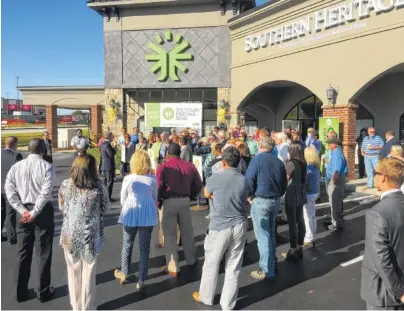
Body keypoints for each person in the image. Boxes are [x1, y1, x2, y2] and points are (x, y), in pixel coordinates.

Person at [193, 147, 248, 310]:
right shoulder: (243, 179)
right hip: (239, 224)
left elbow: (206, 193)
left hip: (219, 226)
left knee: (211, 263)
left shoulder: (217, 177)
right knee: (233, 266)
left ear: (223, 161)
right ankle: (228, 304)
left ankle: (206, 297)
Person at [5, 138, 55, 303]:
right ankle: (43, 291)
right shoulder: (47, 167)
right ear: (43, 150)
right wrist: (35, 212)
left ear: (28, 149)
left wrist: (22, 210)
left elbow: (9, 190)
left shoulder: (16, 167)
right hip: (41, 211)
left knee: (23, 253)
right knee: (44, 252)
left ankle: (21, 292)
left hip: (24, 210)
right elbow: (46, 193)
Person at [58, 154, 109, 310]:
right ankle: (87, 307)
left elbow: (61, 207)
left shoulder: (65, 185)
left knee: (73, 272)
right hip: (90, 236)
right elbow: (105, 208)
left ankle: (76, 306)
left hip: (70, 234)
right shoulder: (99, 187)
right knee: (88, 274)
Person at [360, 158, 404, 310]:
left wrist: (399, 292)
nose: (373, 176)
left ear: (384, 177)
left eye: (375, 173)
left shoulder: (377, 213)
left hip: (383, 293)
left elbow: (381, 258)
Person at [156, 143, 203, 275]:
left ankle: (173, 264)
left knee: (169, 234)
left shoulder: (163, 167)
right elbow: (198, 185)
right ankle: (191, 260)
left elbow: (158, 186)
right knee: (187, 232)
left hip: (168, 201)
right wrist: (192, 196)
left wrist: (158, 203)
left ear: (167, 154)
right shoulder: (190, 166)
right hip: (185, 201)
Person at [114, 150, 158, 289]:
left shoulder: (129, 178)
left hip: (131, 213)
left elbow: (122, 199)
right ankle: (142, 278)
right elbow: (155, 198)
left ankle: (124, 272)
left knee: (127, 244)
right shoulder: (152, 179)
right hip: (147, 214)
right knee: (144, 248)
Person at [245, 137, 287, 280]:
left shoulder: (257, 160)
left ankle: (266, 269)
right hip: (274, 200)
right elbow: (283, 184)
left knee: (263, 236)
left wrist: (249, 196)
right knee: (270, 234)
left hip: (261, 200)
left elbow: (249, 180)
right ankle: (271, 262)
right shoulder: (279, 162)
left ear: (260, 146)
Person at [282, 142, 307, 260]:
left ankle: (292, 249)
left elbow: (285, 179)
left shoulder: (290, 163)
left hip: (292, 193)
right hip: (301, 193)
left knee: (292, 223)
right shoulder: (303, 163)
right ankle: (299, 246)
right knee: (300, 220)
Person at [1, 136, 23, 244]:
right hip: (10, 189)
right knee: (10, 214)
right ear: (13, 144)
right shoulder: (16, 155)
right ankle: (11, 237)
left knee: (1, 212)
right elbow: (20, 174)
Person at [326, 137, 347, 231]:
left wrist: (332, 182)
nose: (329, 145)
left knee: (334, 202)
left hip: (336, 179)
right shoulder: (337, 152)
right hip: (338, 179)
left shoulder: (336, 154)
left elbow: (336, 171)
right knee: (336, 201)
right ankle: (336, 220)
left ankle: (336, 222)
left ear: (335, 144)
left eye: (330, 143)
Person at [302, 147, 321, 248]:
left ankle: (309, 238)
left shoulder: (308, 168)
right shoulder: (316, 166)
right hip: (314, 193)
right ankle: (312, 236)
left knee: (308, 217)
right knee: (312, 216)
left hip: (309, 194)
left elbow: (307, 184)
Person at [100, 132, 117, 201]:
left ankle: (104, 197)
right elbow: (111, 154)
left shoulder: (102, 144)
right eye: (112, 136)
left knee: (104, 183)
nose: (113, 137)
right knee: (109, 182)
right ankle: (108, 198)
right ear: (109, 136)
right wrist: (114, 148)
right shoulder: (107, 144)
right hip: (108, 167)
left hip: (104, 166)